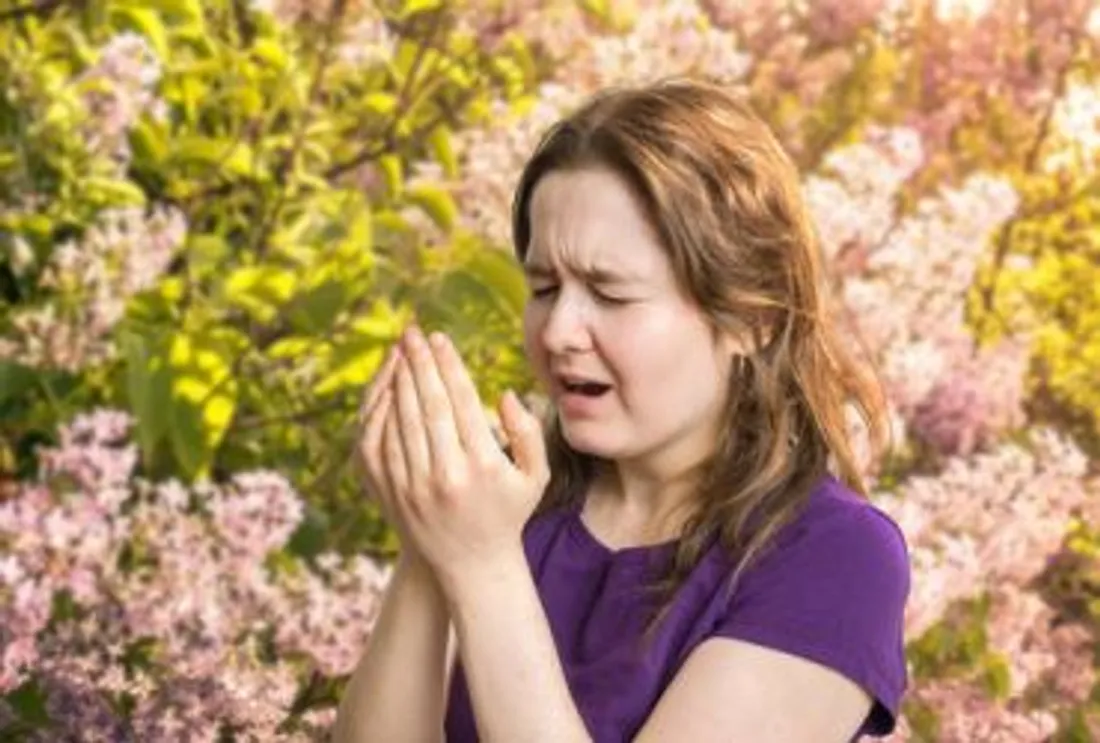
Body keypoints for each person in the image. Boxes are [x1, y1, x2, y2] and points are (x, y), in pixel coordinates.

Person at [333, 76, 910, 743]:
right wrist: (427, 538)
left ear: (753, 319)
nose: (557, 332)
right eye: (545, 287)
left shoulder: (834, 557)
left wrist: (480, 564)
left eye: (610, 294)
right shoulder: (507, 506)